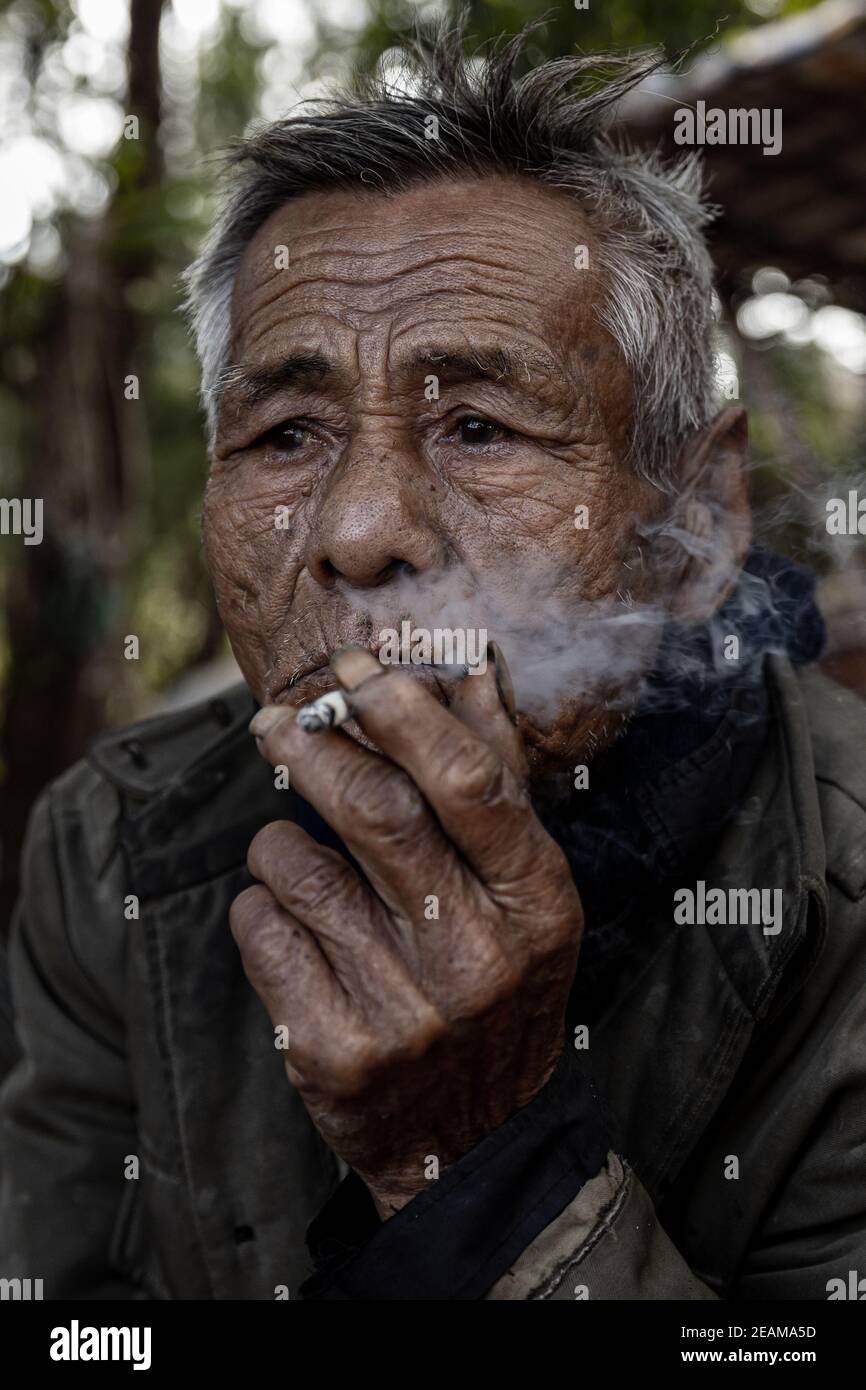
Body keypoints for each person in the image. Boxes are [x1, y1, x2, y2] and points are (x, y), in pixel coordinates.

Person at [1, 21, 864, 1301]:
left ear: (693, 523)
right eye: (286, 434)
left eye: (476, 424)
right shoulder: (108, 851)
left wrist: (482, 1163)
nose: (357, 532)